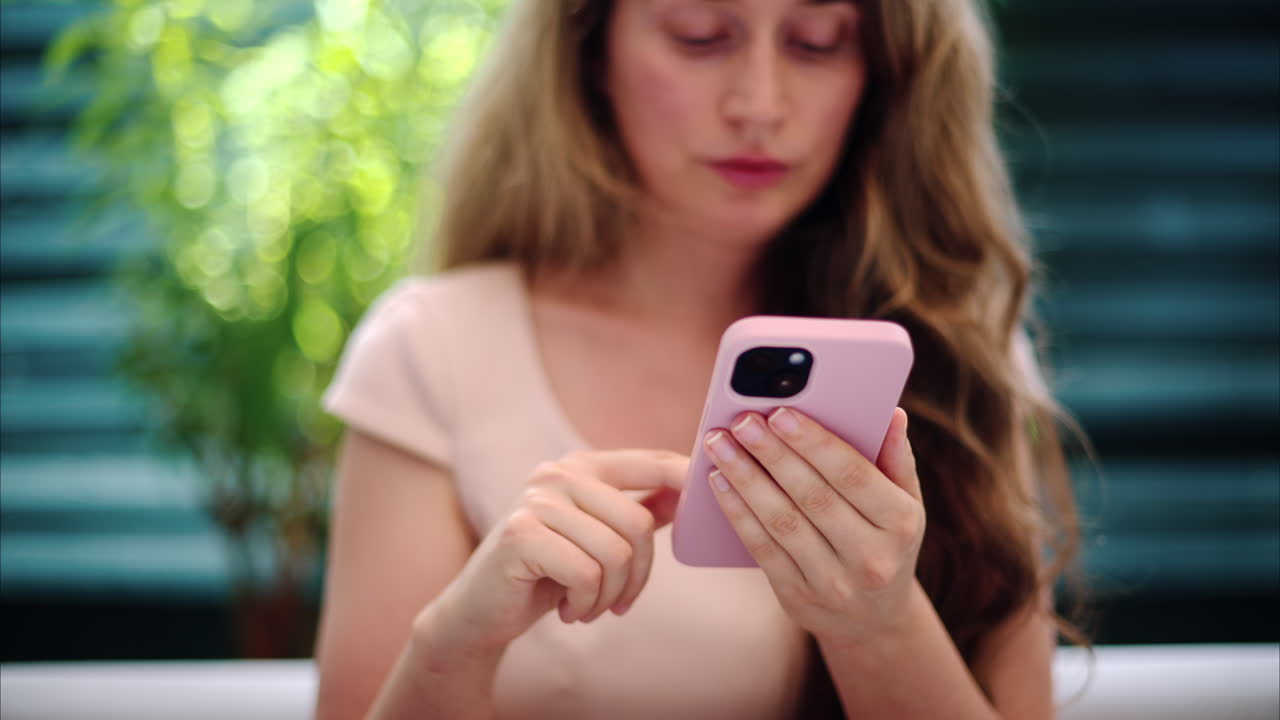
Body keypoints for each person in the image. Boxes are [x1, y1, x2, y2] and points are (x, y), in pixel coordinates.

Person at [313, 0, 1083, 717]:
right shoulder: (432, 349)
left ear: (882, 75)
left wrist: (877, 626)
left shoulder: (963, 359)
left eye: (817, 43)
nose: (759, 105)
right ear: (588, 53)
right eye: (699, 36)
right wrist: (458, 642)